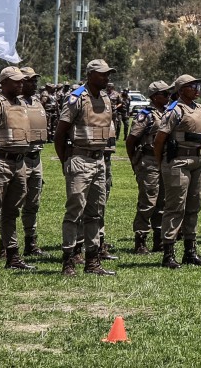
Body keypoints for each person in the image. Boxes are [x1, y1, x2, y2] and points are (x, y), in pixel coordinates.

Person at [55, 59, 120, 276]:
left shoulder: (106, 98)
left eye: (108, 74)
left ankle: (92, 262)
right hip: (80, 159)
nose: (106, 78)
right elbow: (60, 133)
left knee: (95, 212)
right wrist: (67, 161)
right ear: (90, 75)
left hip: (99, 160)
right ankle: (69, 261)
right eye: (102, 74)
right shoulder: (76, 99)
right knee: (75, 211)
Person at [0, 66, 44, 272]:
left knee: (12, 211)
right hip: (0, 162)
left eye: (21, 81)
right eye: (16, 81)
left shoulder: (23, 104)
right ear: (4, 83)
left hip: (20, 163)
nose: (20, 84)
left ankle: (13, 255)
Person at [152, 74, 201, 268]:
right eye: (191, 86)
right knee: (175, 206)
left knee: (194, 205)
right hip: (178, 161)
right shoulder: (175, 110)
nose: (196, 89)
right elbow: (160, 139)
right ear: (181, 89)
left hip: (198, 161)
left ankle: (190, 251)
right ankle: (168, 252)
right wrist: (161, 163)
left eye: (197, 85)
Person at [128, 80, 170, 255]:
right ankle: (141, 240)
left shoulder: (167, 113)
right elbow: (131, 140)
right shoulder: (146, 115)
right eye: (164, 94)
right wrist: (135, 162)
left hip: (164, 161)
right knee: (148, 202)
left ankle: (158, 239)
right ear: (154, 97)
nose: (168, 96)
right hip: (149, 161)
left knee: (163, 202)